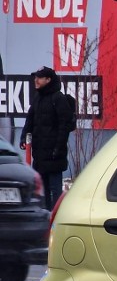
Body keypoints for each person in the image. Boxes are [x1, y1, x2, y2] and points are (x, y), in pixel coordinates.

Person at [20, 66, 73, 211]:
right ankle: (44, 215)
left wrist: (58, 148)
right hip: (39, 153)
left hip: (54, 154)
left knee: (55, 189)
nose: (35, 80)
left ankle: (56, 217)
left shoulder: (58, 98)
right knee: (41, 189)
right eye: (35, 77)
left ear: (48, 80)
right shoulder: (38, 97)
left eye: (39, 77)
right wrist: (23, 137)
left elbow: (65, 125)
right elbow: (30, 120)